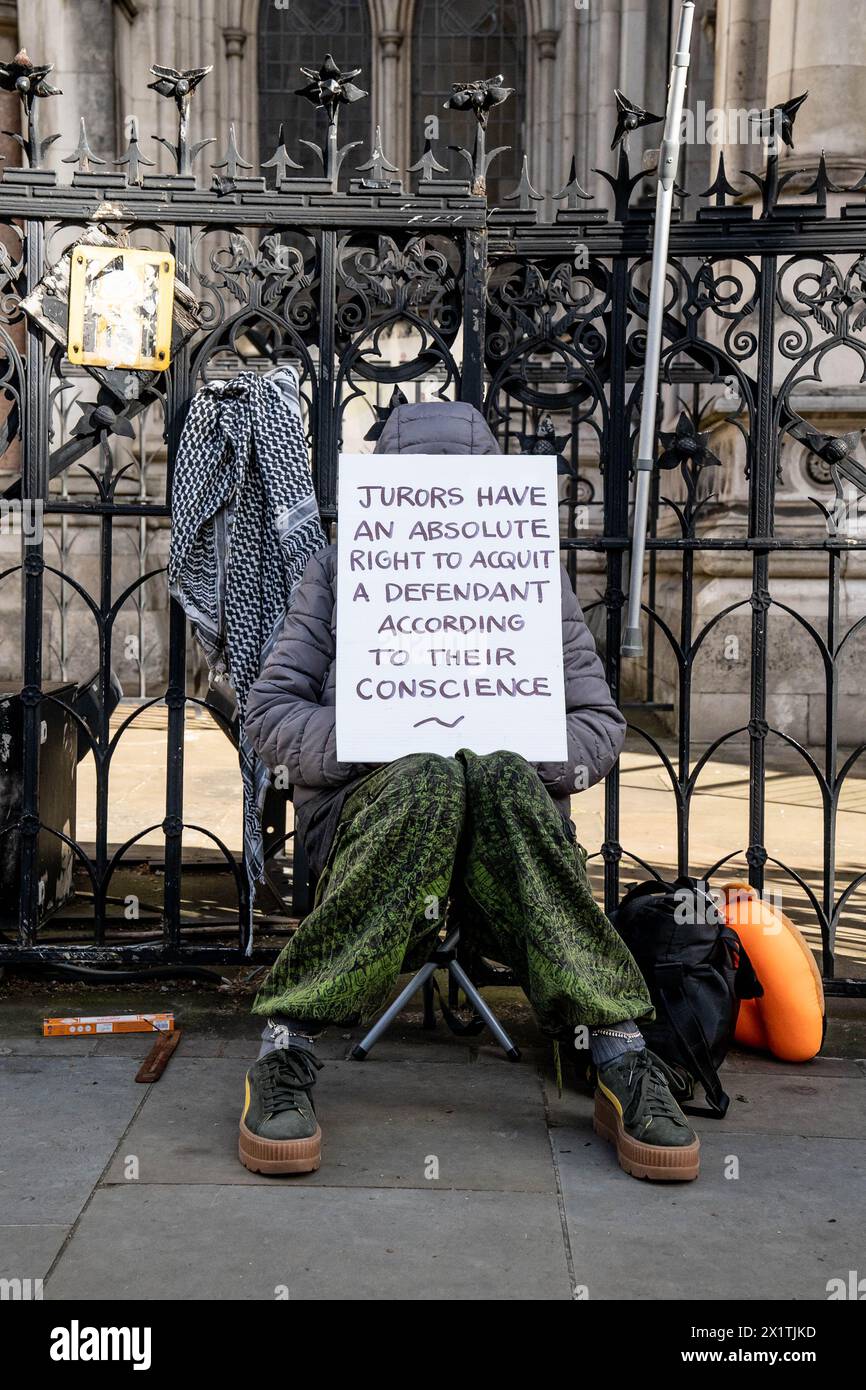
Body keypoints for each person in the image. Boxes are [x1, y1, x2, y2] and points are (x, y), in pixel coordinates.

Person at [238, 401, 699, 1183]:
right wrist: (372, 734)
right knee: (426, 775)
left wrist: (521, 745)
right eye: (419, 491)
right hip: (372, 837)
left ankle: (619, 1054)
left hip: (504, 854)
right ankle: (285, 1049)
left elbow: (597, 725)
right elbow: (269, 714)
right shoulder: (338, 568)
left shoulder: (529, 576)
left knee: (488, 774)